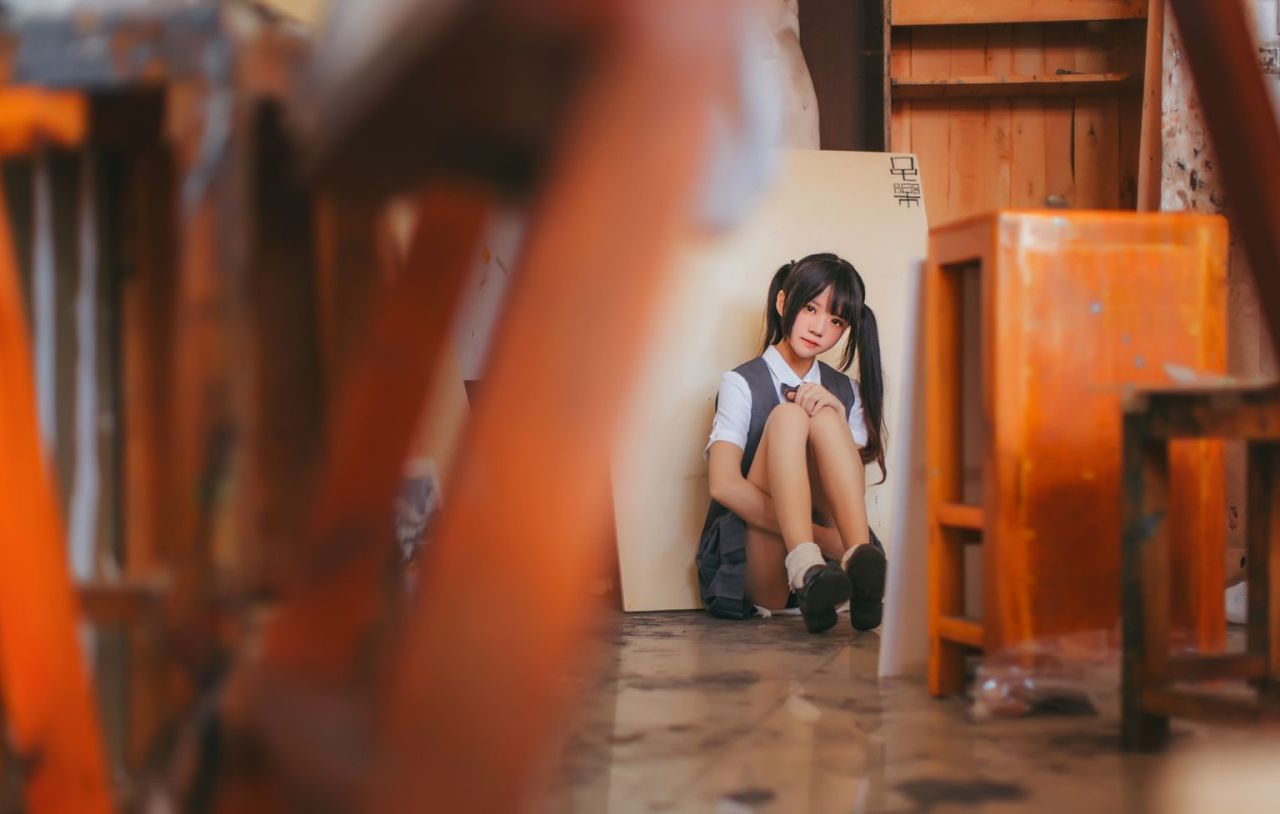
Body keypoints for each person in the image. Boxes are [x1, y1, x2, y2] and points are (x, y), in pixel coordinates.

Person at [696, 253, 888, 633]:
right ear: (784, 303)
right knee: (789, 415)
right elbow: (723, 485)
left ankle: (859, 565)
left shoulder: (846, 392)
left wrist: (836, 413)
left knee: (824, 414)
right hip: (764, 569)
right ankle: (806, 565)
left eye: (836, 320)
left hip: (836, 576)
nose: (819, 327)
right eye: (810, 308)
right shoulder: (741, 383)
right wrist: (825, 541)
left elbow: (848, 491)